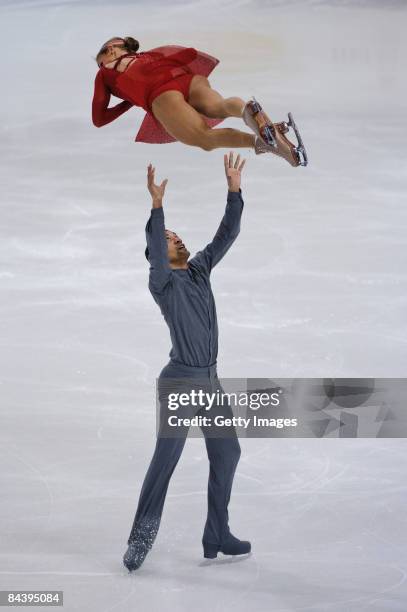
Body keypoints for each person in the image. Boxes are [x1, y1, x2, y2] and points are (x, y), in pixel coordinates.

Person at [123, 152, 251, 572]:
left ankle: (217, 533)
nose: (176, 240)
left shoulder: (199, 270)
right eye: (168, 238)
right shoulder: (162, 281)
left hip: (210, 381)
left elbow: (225, 236)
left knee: (228, 453)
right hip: (181, 382)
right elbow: (157, 252)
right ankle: (139, 540)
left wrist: (234, 191)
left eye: (176, 236)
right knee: (166, 462)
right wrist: (157, 209)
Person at [92, 36, 307, 166]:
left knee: (204, 138)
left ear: (110, 50)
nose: (101, 67)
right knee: (218, 107)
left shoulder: (105, 74)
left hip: (160, 94)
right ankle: (246, 109)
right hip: (185, 76)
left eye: (100, 63)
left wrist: (129, 101)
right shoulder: (146, 55)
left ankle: (264, 144)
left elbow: (99, 119)